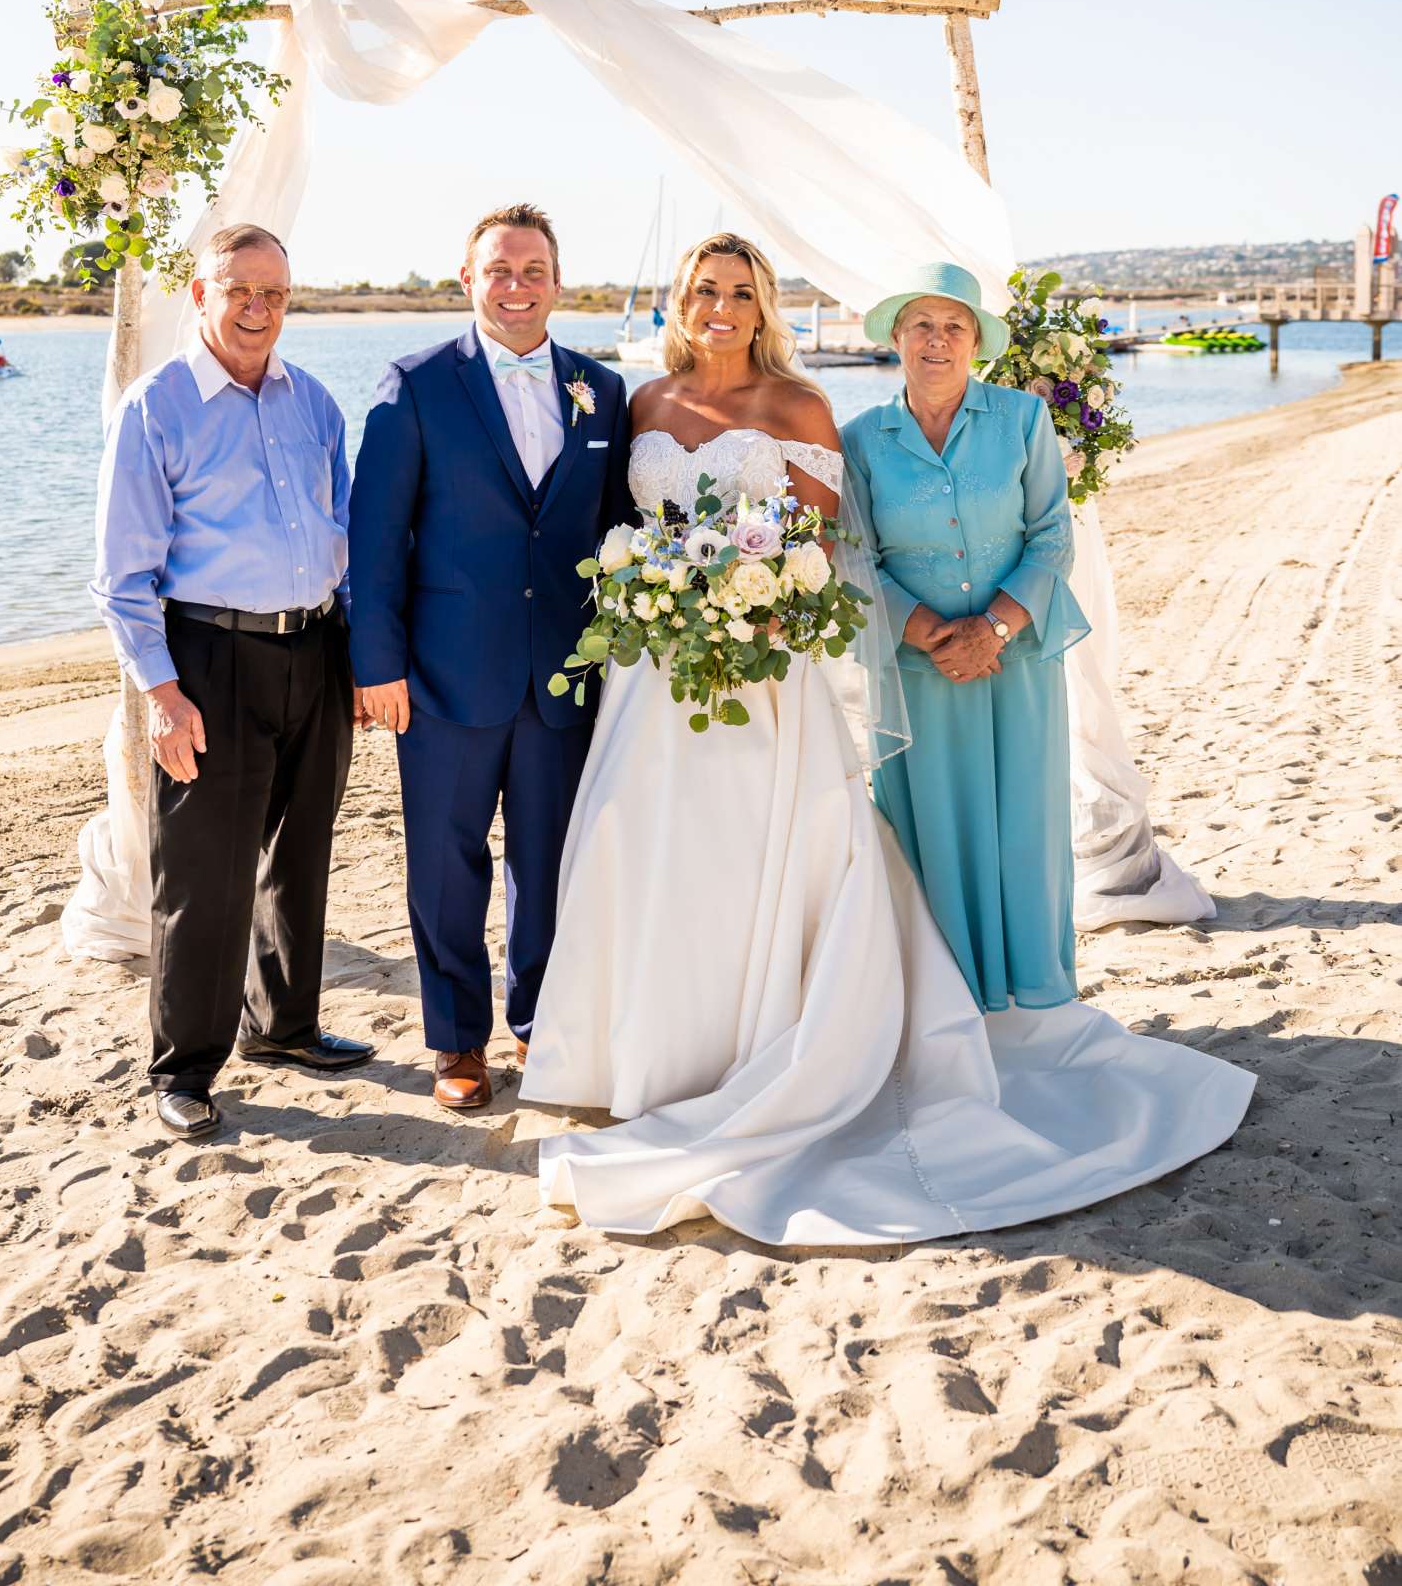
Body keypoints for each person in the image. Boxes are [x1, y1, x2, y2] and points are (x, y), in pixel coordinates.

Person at [520, 234, 1253, 1246]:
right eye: (706, 289)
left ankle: (789, 1039)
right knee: (647, 853)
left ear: (763, 305)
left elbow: (827, 546)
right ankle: (647, 1058)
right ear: (681, 303)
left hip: (764, 677)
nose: (722, 305)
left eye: (741, 291)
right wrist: (664, 600)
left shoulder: (802, 407)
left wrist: (768, 604)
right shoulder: (645, 405)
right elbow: (635, 537)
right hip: (657, 682)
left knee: (772, 859)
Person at [91, 223, 372, 1142]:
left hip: (316, 652)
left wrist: (358, 660)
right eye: (240, 291)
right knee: (203, 873)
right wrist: (163, 694)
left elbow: (345, 539)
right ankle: (184, 1067)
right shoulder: (156, 407)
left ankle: (284, 1027)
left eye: (276, 294)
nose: (259, 309)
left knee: (300, 853)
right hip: (207, 659)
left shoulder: (314, 403)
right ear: (202, 293)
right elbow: (123, 576)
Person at [348, 204, 631, 1114]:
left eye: (533, 270)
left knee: (548, 862)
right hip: (442, 675)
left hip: (563, 675)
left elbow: (613, 530)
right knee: (446, 862)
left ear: (558, 281)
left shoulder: (602, 390)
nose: (516, 286)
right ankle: (457, 1040)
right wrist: (375, 664)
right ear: (466, 279)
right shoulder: (415, 384)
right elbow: (376, 540)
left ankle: (542, 1022)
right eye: (498, 270)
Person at [841, 260, 1084, 1009]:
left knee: (1024, 825)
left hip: (1020, 662)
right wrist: (932, 634)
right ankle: (952, 1000)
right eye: (922, 325)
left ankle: (1034, 992)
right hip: (917, 672)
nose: (936, 341)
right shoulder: (858, 439)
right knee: (937, 835)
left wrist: (995, 628)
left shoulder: (1023, 419)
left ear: (975, 341)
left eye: (953, 327)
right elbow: (854, 557)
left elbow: (1051, 537)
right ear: (897, 338)